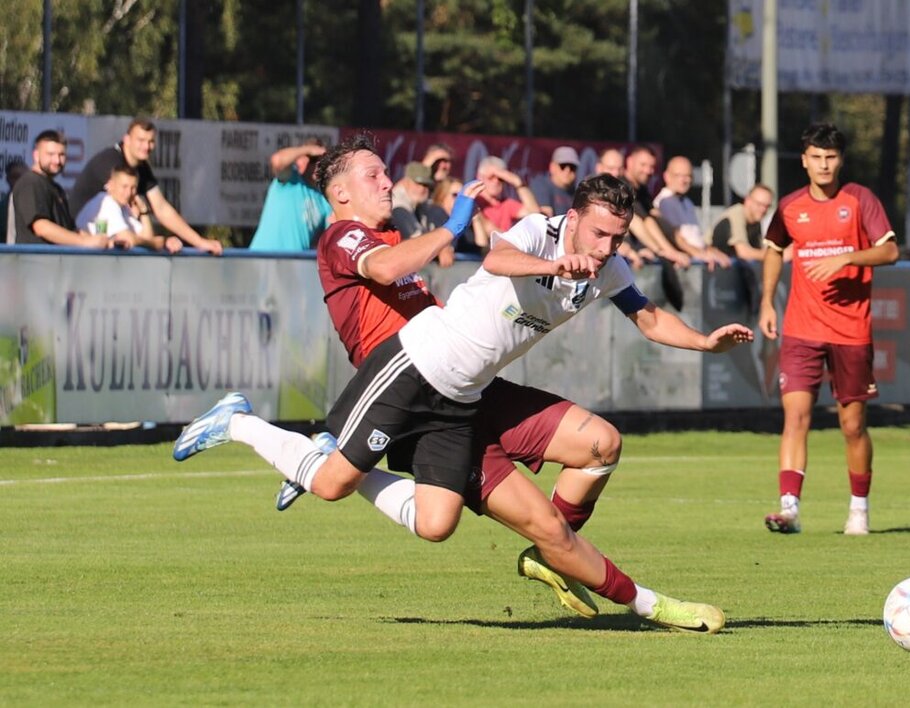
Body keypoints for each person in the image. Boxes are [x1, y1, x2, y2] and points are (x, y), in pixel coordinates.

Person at [174, 137, 747, 632]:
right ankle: (239, 422)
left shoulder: (607, 267)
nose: (606, 250)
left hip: (464, 394)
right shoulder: (516, 234)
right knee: (331, 486)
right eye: (598, 236)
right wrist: (492, 240)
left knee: (444, 523)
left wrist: (703, 342)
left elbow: (647, 318)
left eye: (617, 240)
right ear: (571, 220)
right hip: (412, 370)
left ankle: (609, 585)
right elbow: (492, 262)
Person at [758, 123, 899, 536]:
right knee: (795, 417)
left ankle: (859, 509)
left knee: (852, 425)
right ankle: (790, 510)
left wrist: (846, 258)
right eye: (816, 157)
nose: (824, 164)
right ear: (804, 161)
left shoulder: (860, 200)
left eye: (831, 157)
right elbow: (773, 251)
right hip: (801, 328)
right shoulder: (789, 206)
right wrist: (767, 300)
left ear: (841, 160)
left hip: (851, 331)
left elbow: (890, 249)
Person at [69, 117, 223, 254]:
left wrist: (200, 242)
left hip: (110, 246)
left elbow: (161, 208)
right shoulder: (110, 162)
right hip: (78, 242)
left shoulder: (141, 167)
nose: (146, 146)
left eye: (150, 141)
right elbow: (128, 234)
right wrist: (158, 242)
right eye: (141, 140)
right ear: (127, 139)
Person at [10, 130, 115, 248]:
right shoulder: (30, 182)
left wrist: (100, 241)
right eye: (50, 154)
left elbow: (68, 229)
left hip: (58, 262)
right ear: (36, 155)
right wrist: (84, 242)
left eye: (61, 155)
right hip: (35, 263)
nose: (57, 160)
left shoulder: (56, 188)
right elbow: (42, 227)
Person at [74, 164, 183, 252]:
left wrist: (143, 212)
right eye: (124, 186)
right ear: (111, 185)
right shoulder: (106, 203)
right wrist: (156, 243)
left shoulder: (123, 207)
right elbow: (128, 238)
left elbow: (146, 236)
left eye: (133, 188)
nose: (128, 193)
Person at [248, 140, 331, 251]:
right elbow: (277, 161)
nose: (317, 164)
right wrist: (309, 150)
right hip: (263, 259)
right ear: (298, 160)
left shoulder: (324, 199)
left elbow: (331, 235)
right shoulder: (290, 181)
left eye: (322, 160)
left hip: (293, 264)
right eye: (312, 159)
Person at [654, 156, 732, 271]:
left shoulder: (687, 202)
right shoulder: (664, 202)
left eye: (688, 176)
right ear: (666, 176)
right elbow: (676, 238)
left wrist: (713, 252)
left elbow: (695, 238)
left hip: (696, 265)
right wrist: (701, 255)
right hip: (682, 267)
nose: (684, 180)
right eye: (678, 175)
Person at [622, 146, 692, 268]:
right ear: (629, 162)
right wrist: (665, 251)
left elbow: (655, 218)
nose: (648, 170)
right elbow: (643, 221)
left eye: (651, 167)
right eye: (643, 165)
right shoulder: (622, 189)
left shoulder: (643, 191)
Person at [424, 176, 489, 261]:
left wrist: (476, 218)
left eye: (462, 196)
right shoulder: (436, 212)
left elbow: (482, 250)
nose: (459, 199)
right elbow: (448, 245)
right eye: (455, 195)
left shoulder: (466, 221)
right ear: (442, 196)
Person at [474, 156, 541, 232]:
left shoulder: (506, 204)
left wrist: (517, 181)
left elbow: (535, 215)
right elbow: (488, 229)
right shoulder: (474, 202)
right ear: (480, 177)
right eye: (491, 177)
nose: (496, 181)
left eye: (501, 178)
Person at [710, 183, 775, 262]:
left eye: (767, 206)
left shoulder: (756, 221)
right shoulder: (736, 214)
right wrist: (776, 256)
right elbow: (744, 253)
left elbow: (758, 249)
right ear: (747, 201)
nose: (763, 210)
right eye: (759, 204)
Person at [529, 145, 579, 216]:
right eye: (563, 166)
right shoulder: (540, 185)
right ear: (552, 167)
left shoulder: (577, 192)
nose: (567, 171)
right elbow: (546, 219)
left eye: (572, 167)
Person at [390, 162, 434, 240]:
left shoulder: (421, 203)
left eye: (426, 185)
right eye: (417, 183)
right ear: (405, 181)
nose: (421, 189)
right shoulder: (399, 206)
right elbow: (416, 240)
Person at [2, 161, 29, 243]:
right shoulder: (3, 207)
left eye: (24, 177)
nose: (20, 181)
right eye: (15, 177)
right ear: (8, 179)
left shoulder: (34, 203)